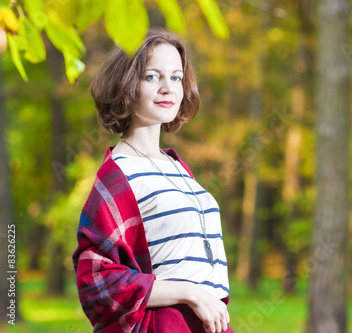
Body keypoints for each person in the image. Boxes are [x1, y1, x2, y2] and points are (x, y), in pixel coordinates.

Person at [72, 28, 233, 333]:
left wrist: (203, 297)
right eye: (151, 77)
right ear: (126, 84)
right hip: (165, 323)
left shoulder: (177, 166)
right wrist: (190, 292)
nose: (167, 88)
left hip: (209, 323)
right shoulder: (118, 174)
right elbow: (95, 280)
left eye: (175, 77)